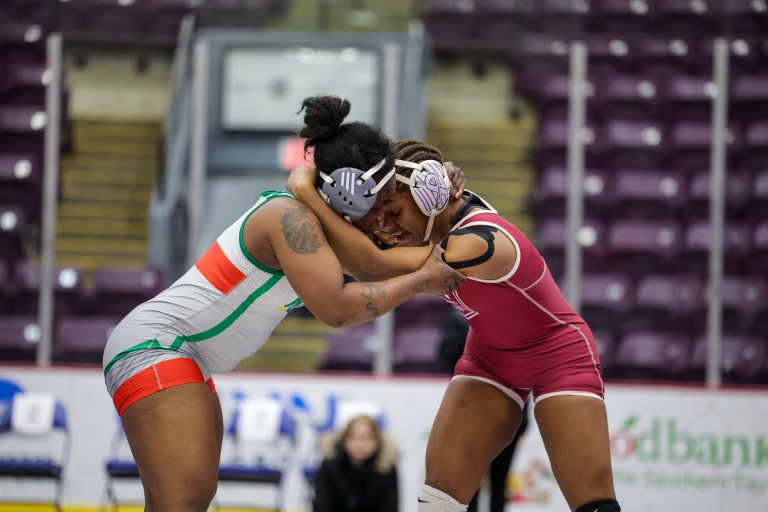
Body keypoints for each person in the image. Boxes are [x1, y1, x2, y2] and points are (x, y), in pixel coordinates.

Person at [100, 95, 465, 512]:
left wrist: (445, 191)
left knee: (187, 499)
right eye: (380, 205)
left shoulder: (315, 218)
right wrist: (421, 281)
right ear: (350, 194)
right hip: (157, 345)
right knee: (183, 500)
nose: (385, 220)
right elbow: (340, 309)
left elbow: (374, 264)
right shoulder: (288, 217)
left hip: (183, 352)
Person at [287, 118, 621, 511]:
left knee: (593, 505)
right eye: (380, 215)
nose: (386, 227)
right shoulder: (437, 209)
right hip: (490, 358)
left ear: (431, 196)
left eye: (393, 211)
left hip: (558, 355)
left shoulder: (480, 241)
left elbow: (371, 265)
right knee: (438, 500)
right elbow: (365, 235)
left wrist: (304, 193)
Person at [438, 308, 529, 512]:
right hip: (476, 410)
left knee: (498, 481)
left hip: (507, 412)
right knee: (471, 481)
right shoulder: (460, 318)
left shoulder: (516, 316)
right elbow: (445, 354)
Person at [313, 414, 399, 512]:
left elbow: (390, 507)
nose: (360, 444)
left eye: (367, 438)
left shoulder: (386, 468)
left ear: (378, 441)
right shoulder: (329, 465)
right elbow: (322, 504)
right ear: (344, 439)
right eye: (353, 437)